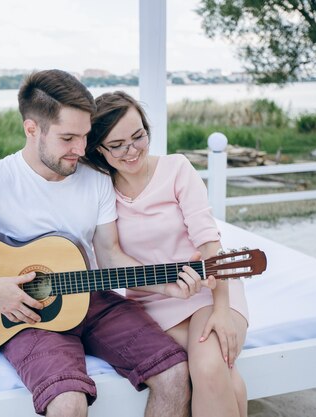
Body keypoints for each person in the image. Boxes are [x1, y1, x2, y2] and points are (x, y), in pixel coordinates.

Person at [0, 70, 199, 417]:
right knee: (67, 402)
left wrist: (166, 286)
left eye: (85, 136)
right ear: (32, 129)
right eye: (67, 138)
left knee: (176, 373)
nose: (81, 149)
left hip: (92, 299)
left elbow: (110, 255)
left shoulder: (96, 179)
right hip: (26, 316)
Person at [84, 91, 250, 417]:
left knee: (208, 368)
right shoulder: (101, 191)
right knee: (219, 372)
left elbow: (209, 242)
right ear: (99, 149)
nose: (132, 150)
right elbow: (109, 258)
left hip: (209, 290)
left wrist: (221, 310)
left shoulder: (176, 169)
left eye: (138, 136)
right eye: (116, 145)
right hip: (151, 302)